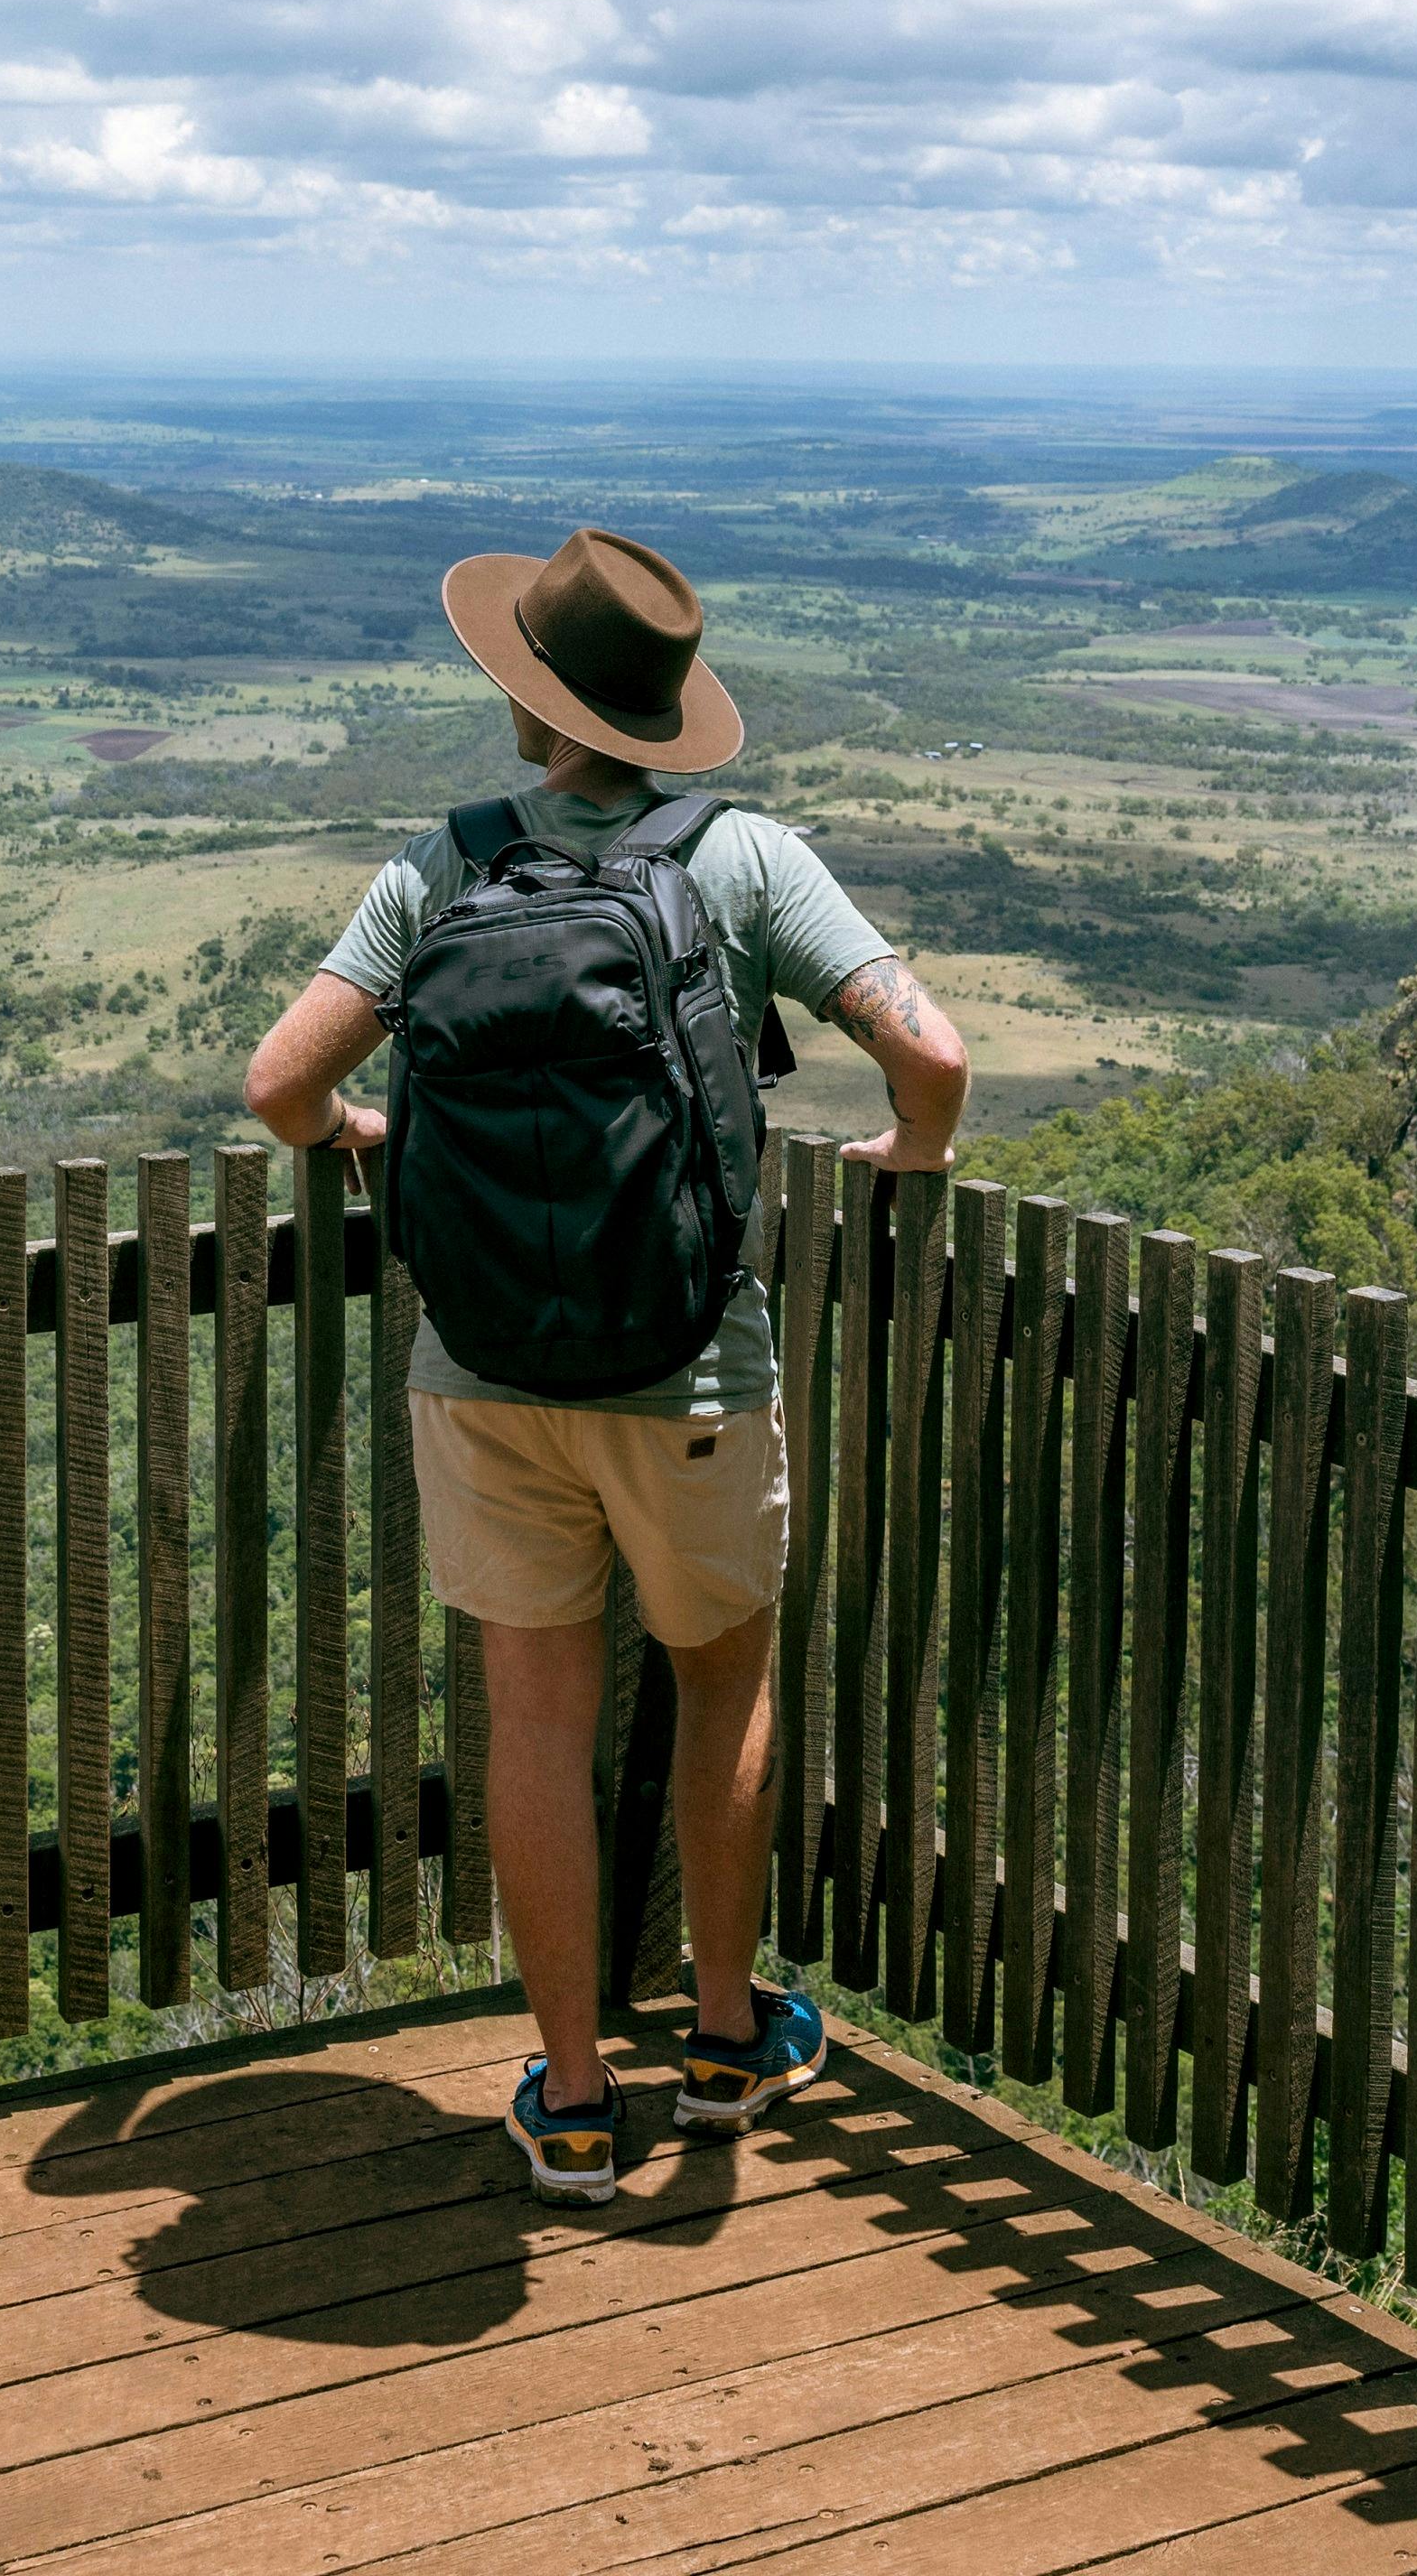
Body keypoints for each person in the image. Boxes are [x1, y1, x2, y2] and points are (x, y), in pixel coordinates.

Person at [241, 524, 969, 2201]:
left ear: (531, 697)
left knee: (534, 1720)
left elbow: (283, 1087)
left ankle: (572, 2099)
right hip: (690, 1375)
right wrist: (916, 1150)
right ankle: (723, 2042)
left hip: (483, 1374)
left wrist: (356, 1134)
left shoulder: (446, 863)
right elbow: (927, 1055)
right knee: (722, 1688)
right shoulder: (744, 859)